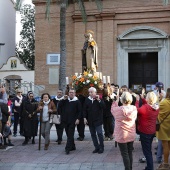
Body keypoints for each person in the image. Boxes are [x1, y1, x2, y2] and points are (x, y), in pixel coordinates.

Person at [111, 92, 137, 170]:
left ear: (122, 100)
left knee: (124, 154)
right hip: (131, 133)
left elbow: (112, 110)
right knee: (129, 152)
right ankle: (130, 168)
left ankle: (127, 168)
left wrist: (115, 101)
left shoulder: (118, 110)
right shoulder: (134, 109)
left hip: (121, 134)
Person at [136, 92, 159, 170]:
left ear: (148, 98)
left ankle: (150, 167)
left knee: (147, 152)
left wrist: (137, 101)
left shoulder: (145, 108)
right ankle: (149, 166)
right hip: (152, 131)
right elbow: (148, 106)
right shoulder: (156, 107)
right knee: (148, 149)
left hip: (145, 132)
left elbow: (136, 110)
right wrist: (142, 99)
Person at [58, 88, 82, 155]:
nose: (71, 93)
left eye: (72, 92)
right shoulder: (65, 100)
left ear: (75, 93)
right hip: (65, 120)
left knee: (70, 134)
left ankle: (67, 148)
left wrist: (78, 119)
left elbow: (80, 111)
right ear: (68, 93)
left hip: (73, 121)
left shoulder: (77, 101)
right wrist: (63, 99)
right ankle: (73, 146)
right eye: (70, 92)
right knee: (68, 134)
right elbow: (59, 106)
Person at [83, 87, 105, 154]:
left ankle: (101, 147)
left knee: (99, 133)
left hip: (98, 120)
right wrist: (84, 118)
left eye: (91, 92)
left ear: (95, 93)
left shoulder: (99, 99)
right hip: (90, 120)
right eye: (89, 92)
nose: (90, 93)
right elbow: (84, 109)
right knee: (93, 134)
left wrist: (99, 100)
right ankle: (96, 147)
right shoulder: (87, 99)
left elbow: (103, 106)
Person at [156, 88, 170, 170]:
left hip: (164, 126)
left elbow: (156, 110)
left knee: (165, 145)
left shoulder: (163, 102)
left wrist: (159, 99)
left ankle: (165, 164)